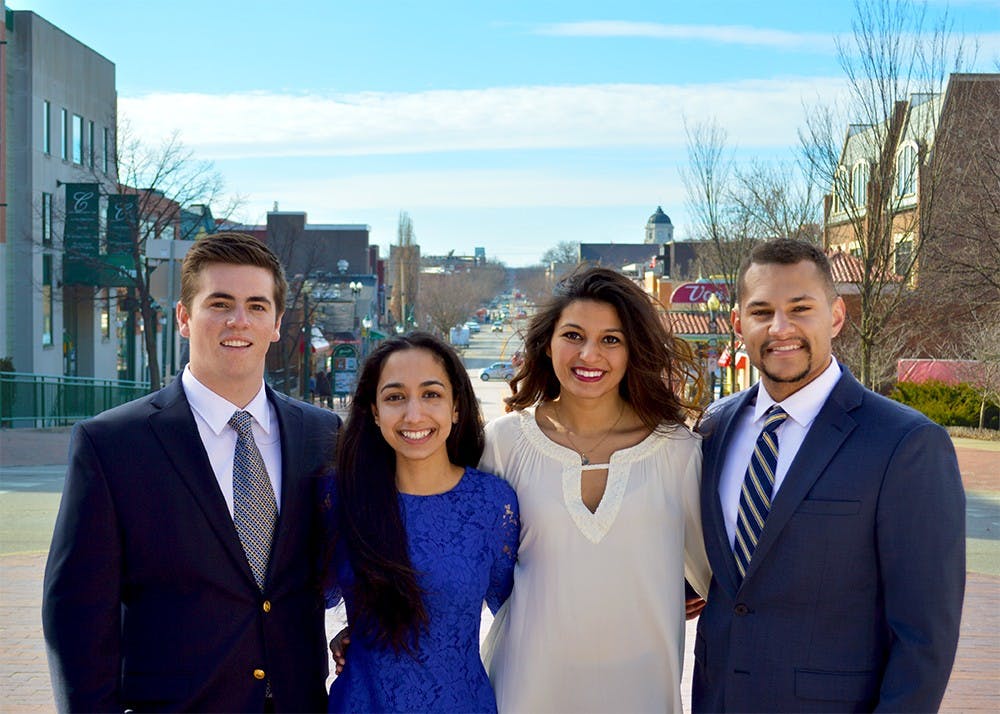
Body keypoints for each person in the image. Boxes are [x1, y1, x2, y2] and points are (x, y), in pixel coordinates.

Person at [42, 232, 341, 712]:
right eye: (219, 304)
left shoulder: (323, 435)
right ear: (184, 317)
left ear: (276, 323)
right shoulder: (112, 444)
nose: (239, 320)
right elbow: (77, 615)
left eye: (257, 306)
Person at [693, 239, 965, 712]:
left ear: (836, 317)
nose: (780, 328)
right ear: (738, 323)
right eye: (761, 312)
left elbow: (925, 635)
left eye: (800, 309)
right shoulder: (713, 428)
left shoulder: (905, 444)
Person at [480, 267, 711, 713]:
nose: (590, 354)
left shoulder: (678, 450)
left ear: (632, 350)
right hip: (525, 690)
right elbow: (458, 565)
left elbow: (716, 581)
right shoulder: (504, 443)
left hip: (642, 693)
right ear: (548, 344)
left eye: (611, 339)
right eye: (573, 335)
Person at [324, 332, 519, 713]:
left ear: (456, 407)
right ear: (375, 411)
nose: (414, 415)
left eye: (431, 394)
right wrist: (356, 635)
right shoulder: (339, 496)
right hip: (363, 703)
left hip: (462, 704)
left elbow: (515, 615)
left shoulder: (493, 503)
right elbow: (305, 600)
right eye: (395, 397)